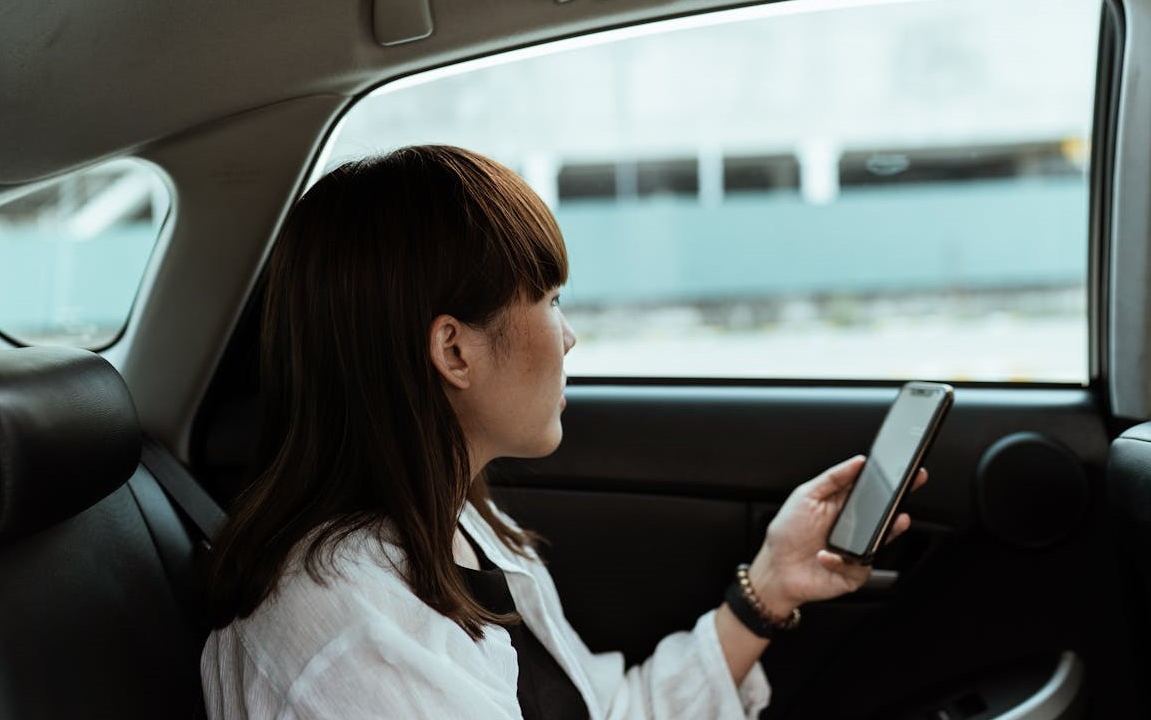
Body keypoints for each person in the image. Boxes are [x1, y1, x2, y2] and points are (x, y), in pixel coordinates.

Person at [200, 145, 922, 719]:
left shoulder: (457, 527)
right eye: (549, 299)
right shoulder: (352, 632)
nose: (569, 337)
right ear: (454, 350)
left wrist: (768, 587)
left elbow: (601, 712)